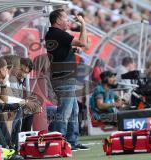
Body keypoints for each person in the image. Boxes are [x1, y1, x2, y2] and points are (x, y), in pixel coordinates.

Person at [45, 8, 90, 151]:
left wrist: (74, 49)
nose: (68, 20)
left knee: (73, 111)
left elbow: (84, 45)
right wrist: (83, 24)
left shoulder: (56, 34)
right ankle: (58, 143)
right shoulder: (58, 33)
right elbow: (83, 43)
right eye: (65, 18)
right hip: (64, 78)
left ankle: (71, 141)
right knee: (64, 112)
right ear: (57, 20)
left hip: (66, 78)